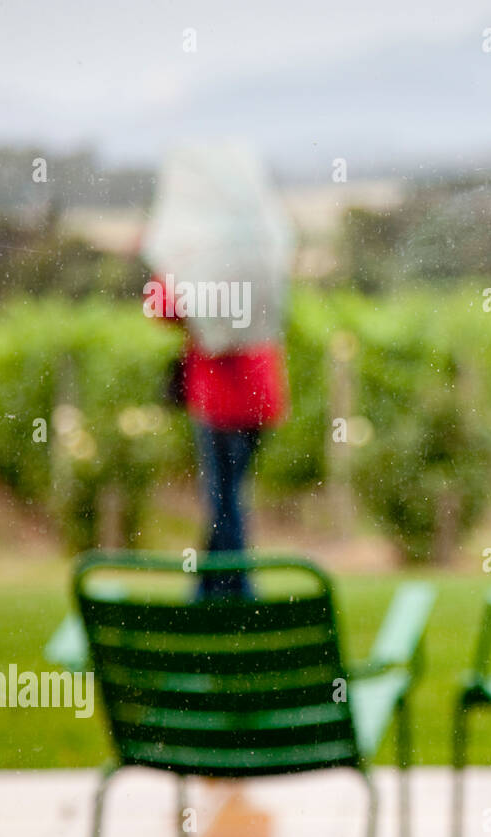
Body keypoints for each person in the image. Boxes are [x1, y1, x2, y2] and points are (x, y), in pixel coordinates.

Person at [141, 144, 293, 599]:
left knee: (224, 499)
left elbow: (160, 308)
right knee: (228, 495)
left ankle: (237, 589)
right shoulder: (255, 257)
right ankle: (211, 588)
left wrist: (169, 267)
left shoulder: (203, 264)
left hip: (220, 403)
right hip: (261, 399)